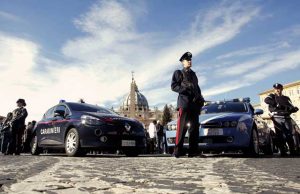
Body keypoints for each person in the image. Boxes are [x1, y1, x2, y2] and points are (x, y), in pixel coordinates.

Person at [171, 51, 204, 158]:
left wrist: (200, 97)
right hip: (184, 104)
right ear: (182, 62)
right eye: (187, 60)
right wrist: (185, 88)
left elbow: (197, 88)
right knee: (182, 128)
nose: (189, 61)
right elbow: (174, 86)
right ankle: (178, 150)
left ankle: (193, 151)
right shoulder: (178, 73)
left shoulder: (194, 74)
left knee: (194, 129)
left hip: (194, 104)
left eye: (190, 60)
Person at [264, 83, 299, 156]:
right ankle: (283, 151)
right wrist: (276, 104)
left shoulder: (286, 98)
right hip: (277, 117)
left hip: (286, 117)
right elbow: (266, 100)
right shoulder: (272, 96)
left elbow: (290, 107)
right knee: (279, 134)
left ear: (282, 89)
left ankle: (292, 151)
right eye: (276, 89)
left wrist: (294, 109)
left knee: (289, 134)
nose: (277, 90)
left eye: (279, 88)